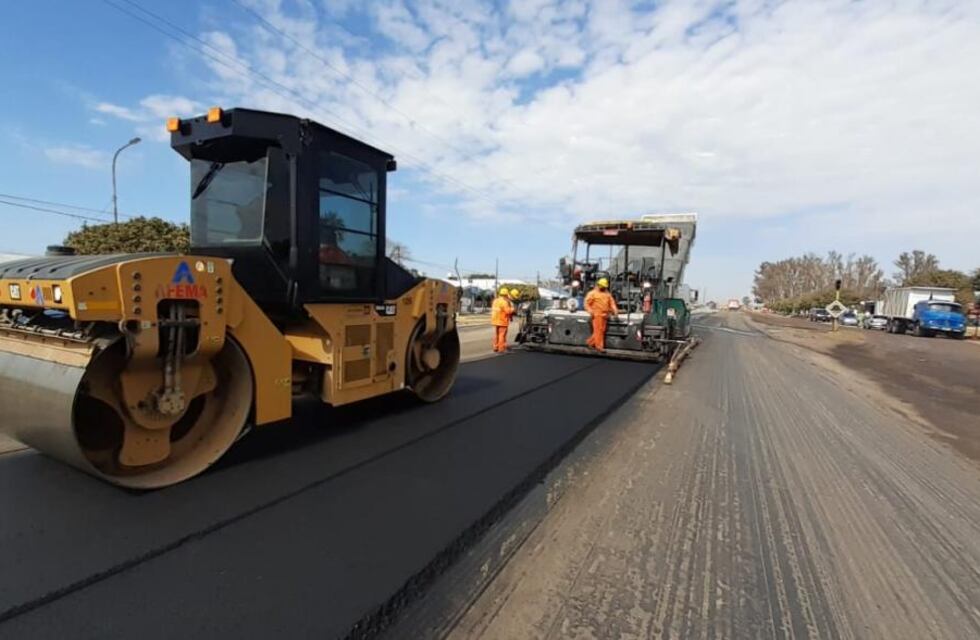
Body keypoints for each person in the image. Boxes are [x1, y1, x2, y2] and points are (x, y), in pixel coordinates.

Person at [585, 277, 619, 353]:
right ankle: (599, 347)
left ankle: (590, 342)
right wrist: (591, 311)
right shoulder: (592, 293)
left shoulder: (607, 294)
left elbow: (612, 303)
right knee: (598, 331)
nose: (604, 288)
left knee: (601, 331)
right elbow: (587, 304)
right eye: (603, 286)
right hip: (597, 314)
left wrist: (615, 311)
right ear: (599, 285)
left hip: (605, 315)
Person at [491, 286, 516, 353]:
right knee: (502, 335)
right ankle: (501, 349)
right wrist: (513, 309)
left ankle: (495, 347)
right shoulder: (504, 302)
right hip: (502, 320)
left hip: (495, 320)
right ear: (506, 294)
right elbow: (508, 311)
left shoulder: (495, 300)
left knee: (497, 334)